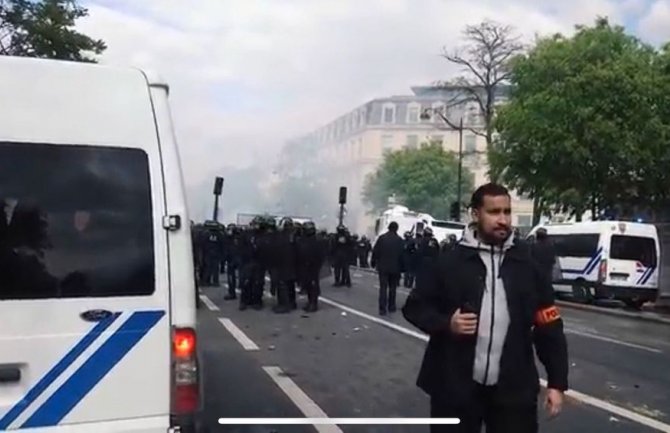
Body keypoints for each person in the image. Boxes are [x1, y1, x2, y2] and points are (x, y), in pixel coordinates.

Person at [402, 183, 568, 433]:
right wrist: (447, 323)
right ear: (475, 214)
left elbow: (549, 325)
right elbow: (415, 307)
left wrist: (556, 382)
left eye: (507, 212)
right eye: (494, 212)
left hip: (513, 390)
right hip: (455, 387)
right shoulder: (449, 262)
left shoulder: (528, 265)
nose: (503, 220)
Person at [371, 221, 404, 315]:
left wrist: (373, 262)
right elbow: (402, 256)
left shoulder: (382, 238)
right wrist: (402, 268)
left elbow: (376, 251)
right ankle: (391, 306)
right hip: (395, 268)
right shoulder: (399, 240)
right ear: (396, 229)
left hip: (383, 267)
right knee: (393, 288)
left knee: (383, 288)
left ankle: (382, 308)